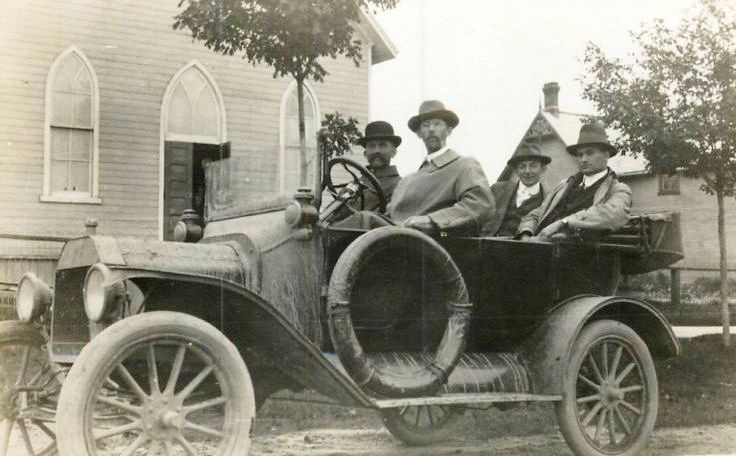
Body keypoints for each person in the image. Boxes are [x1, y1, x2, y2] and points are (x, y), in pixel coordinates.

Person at [389, 100, 494, 235]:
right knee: (363, 218)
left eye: (437, 124)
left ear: (449, 130)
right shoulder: (406, 181)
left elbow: (481, 204)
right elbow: (389, 214)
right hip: (393, 236)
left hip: (432, 244)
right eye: (426, 125)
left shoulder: (464, 165)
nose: (431, 129)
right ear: (419, 133)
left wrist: (431, 220)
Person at [517, 122, 632, 241]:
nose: (583, 159)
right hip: (539, 245)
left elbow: (612, 214)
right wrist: (526, 233)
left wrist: (564, 222)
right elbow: (538, 213)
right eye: (580, 155)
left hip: (576, 252)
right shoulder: (564, 185)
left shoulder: (618, 189)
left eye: (590, 153)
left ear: (606, 155)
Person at [485, 141, 550, 237]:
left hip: (526, 248)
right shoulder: (497, 190)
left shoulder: (549, 198)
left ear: (543, 169)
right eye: (522, 166)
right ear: (516, 170)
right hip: (491, 244)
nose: (527, 171)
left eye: (533, 166)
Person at [352, 120, 402, 213]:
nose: (376, 151)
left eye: (382, 145)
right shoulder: (355, 184)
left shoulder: (401, 185)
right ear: (365, 154)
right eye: (372, 146)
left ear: (393, 152)